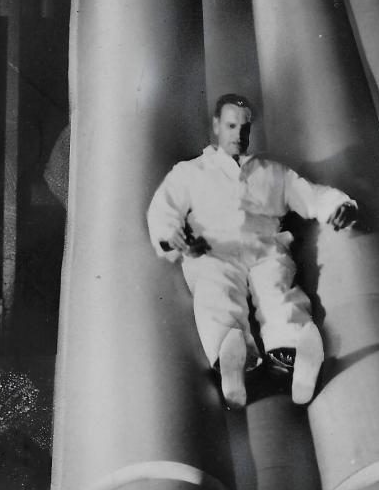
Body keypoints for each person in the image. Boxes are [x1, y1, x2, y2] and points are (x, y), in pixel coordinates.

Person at [146, 93, 358, 406]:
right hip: (214, 249)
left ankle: (292, 351)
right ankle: (232, 354)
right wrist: (172, 236)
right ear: (217, 126)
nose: (238, 135)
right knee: (215, 291)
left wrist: (341, 207)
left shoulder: (273, 172)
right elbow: (163, 210)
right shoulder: (191, 172)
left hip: (265, 247)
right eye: (231, 126)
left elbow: (312, 195)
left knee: (277, 289)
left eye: (244, 128)